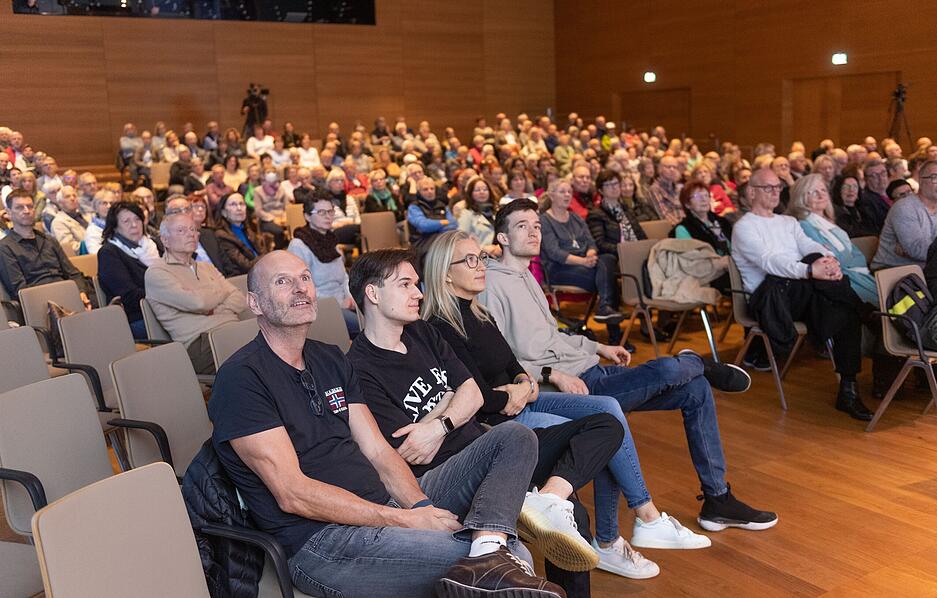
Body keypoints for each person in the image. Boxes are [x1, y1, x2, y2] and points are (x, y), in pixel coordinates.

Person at [211, 249, 564, 598]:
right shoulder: (242, 379)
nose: (300, 287)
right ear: (255, 303)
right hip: (322, 542)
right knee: (515, 558)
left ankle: (488, 546)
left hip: (383, 506)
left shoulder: (329, 359)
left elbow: (378, 450)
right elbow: (293, 494)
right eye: (283, 281)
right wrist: (405, 521)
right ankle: (490, 555)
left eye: (305, 277)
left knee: (513, 437)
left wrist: (420, 507)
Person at [425, 232, 726, 579]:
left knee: (609, 410)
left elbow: (515, 367)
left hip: (522, 400)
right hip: (500, 421)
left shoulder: (480, 313)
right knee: (603, 427)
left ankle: (641, 519)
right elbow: (479, 396)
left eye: (481, 256)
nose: (481, 266)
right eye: (471, 260)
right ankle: (631, 528)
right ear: (446, 273)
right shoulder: (441, 326)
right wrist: (518, 392)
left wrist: (522, 385)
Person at [481, 198, 778, 531]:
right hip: (576, 386)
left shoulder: (525, 277)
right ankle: (698, 362)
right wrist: (554, 375)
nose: (534, 232)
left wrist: (599, 345)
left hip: (590, 368)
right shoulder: (493, 286)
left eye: (537, 225)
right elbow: (500, 358)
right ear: (503, 238)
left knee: (696, 390)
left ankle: (717, 499)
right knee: (670, 370)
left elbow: (552, 336)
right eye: (522, 226)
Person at [347, 248, 623, 596]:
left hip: (488, 448)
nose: (419, 293)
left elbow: (475, 394)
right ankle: (530, 513)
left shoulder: (422, 334)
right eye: (405, 285)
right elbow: (410, 450)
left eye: (417, 284)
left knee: (604, 426)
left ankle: (547, 500)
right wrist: (451, 399)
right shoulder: (357, 368)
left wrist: (438, 424)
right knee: (518, 439)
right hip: (449, 474)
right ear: (373, 294)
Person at [731, 168, 873, 420]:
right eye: (768, 188)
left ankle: (848, 391)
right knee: (819, 276)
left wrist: (826, 260)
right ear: (751, 192)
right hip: (770, 297)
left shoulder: (788, 222)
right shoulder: (744, 227)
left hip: (802, 291)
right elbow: (769, 262)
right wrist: (810, 269)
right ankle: (870, 314)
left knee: (845, 313)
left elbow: (809, 245)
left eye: (778, 187)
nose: (775, 192)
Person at [145, 211, 246, 374]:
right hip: (200, 344)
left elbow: (240, 299)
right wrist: (219, 293)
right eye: (181, 230)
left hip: (231, 330)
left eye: (193, 230)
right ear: (165, 240)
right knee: (261, 352)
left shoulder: (206, 266)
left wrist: (215, 308)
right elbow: (198, 303)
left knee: (275, 341)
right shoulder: (157, 272)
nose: (190, 235)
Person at [540, 179, 624, 334]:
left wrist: (591, 254)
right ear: (551, 195)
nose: (567, 195)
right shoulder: (544, 220)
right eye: (562, 192)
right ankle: (613, 328)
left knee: (609, 260)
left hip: (586, 265)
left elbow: (592, 242)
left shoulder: (575, 218)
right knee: (608, 276)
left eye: (569, 192)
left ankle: (606, 309)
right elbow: (554, 253)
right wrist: (584, 261)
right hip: (559, 269)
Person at [788, 174, 877, 305]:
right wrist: (848, 258)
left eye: (823, 190)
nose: (821, 195)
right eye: (813, 192)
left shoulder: (828, 223)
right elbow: (835, 259)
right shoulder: (805, 225)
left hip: (857, 275)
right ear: (802, 198)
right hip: (843, 280)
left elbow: (857, 255)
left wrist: (848, 258)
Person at [0, 190, 93, 305]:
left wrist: (81, 292)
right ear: (8, 213)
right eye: (19, 207)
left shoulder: (49, 240)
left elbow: (72, 273)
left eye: (30, 206)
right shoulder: (5, 247)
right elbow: (20, 290)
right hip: (40, 302)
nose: (26, 211)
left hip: (67, 293)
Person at [288, 192, 360, 337]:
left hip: (344, 301)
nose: (328, 216)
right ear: (307, 216)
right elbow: (302, 289)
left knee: (380, 317)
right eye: (321, 212)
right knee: (366, 327)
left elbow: (344, 278)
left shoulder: (331, 240)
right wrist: (338, 304)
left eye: (330, 211)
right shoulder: (299, 245)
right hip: (321, 307)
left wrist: (350, 296)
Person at [97, 201, 161, 338]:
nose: (134, 225)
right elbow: (128, 296)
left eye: (137, 219)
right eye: (126, 221)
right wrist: (166, 296)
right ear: (115, 227)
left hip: (162, 308)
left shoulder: (152, 245)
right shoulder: (109, 253)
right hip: (136, 317)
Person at [871, 160, 937, 272]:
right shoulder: (904, 207)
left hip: (925, 271)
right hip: (892, 273)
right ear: (921, 180)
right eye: (934, 177)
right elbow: (918, 250)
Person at [588, 169, 648, 255]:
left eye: (616, 183)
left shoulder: (625, 209)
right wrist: (623, 250)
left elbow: (640, 233)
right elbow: (600, 244)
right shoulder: (596, 214)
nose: (614, 187)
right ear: (600, 190)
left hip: (637, 250)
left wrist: (647, 247)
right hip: (619, 255)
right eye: (608, 185)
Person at [214, 193, 265, 277]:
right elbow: (246, 266)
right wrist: (267, 257)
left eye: (241, 204)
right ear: (223, 212)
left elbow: (261, 252)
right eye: (233, 204)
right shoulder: (222, 236)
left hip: (262, 270)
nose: (239, 208)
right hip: (245, 277)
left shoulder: (247, 229)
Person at [407, 177, 457, 255]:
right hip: (422, 242)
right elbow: (424, 226)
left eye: (432, 188)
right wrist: (443, 222)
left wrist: (435, 226)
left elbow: (454, 224)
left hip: (442, 238)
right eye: (425, 189)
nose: (430, 191)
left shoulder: (442, 205)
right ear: (419, 192)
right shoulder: (414, 207)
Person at [457, 177, 499, 256]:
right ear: (470, 193)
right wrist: (483, 248)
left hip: (501, 257)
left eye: (485, 189)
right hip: (479, 258)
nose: (482, 192)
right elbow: (461, 241)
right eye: (477, 190)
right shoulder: (466, 214)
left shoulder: (497, 211)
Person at [252, 167, 289, 249]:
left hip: (282, 217)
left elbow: (287, 206)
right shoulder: (258, 191)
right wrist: (273, 219)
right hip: (267, 219)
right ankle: (278, 251)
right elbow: (258, 211)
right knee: (279, 231)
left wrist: (284, 216)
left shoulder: (281, 188)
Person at [50, 185, 89, 255]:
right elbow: (70, 249)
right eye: (67, 197)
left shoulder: (86, 216)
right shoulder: (58, 223)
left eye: (74, 195)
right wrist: (93, 242)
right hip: (83, 258)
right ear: (60, 203)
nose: (72, 198)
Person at [647, 156, 685, 225]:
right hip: (673, 228)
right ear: (660, 169)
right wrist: (682, 227)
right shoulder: (655, 189)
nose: (672, 169)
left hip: (687, 225)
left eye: (675, 167)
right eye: (669, 167)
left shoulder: (679, 188)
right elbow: (664, 214)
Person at [857, 159, 891, 234]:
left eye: (883, 173)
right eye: (874, 175)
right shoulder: (866, 201)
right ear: (866, 179)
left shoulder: (893, 193)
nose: (881, 178)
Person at [82, 189, 115, 254]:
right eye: (104, 203)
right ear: (96, 208)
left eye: (111, 203)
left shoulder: (120, 225)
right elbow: (96, 255)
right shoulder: (92, 231)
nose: (109, 206)